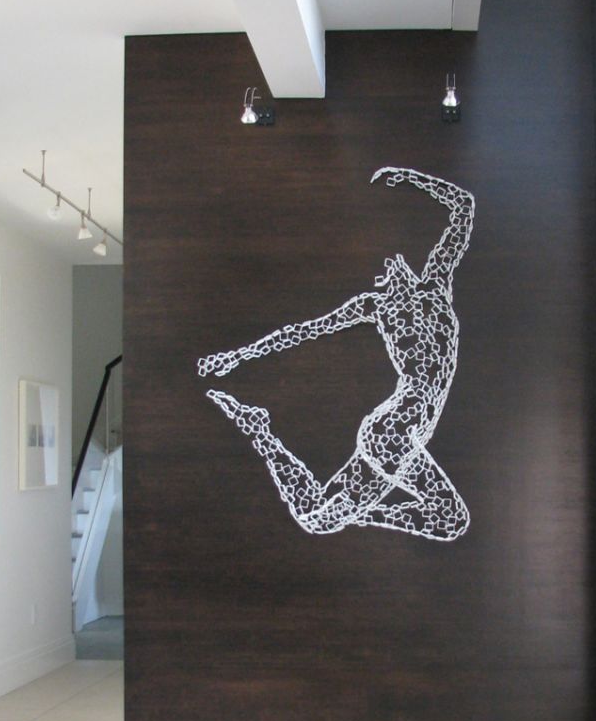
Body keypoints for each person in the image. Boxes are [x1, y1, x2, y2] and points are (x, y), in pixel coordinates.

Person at [197, 167, 475, 541]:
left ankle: (258, 428)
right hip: (393, 433)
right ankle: (354, 510)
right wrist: (236, 357)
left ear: (398, 262)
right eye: (377, 275)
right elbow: (302, 331)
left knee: (318, 518)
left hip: (400, 432)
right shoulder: (376, 306)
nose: (382, 275)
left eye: (384, 265)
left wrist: (410, 178)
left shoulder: (435, 286)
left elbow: (462, 206)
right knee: (449, 518)